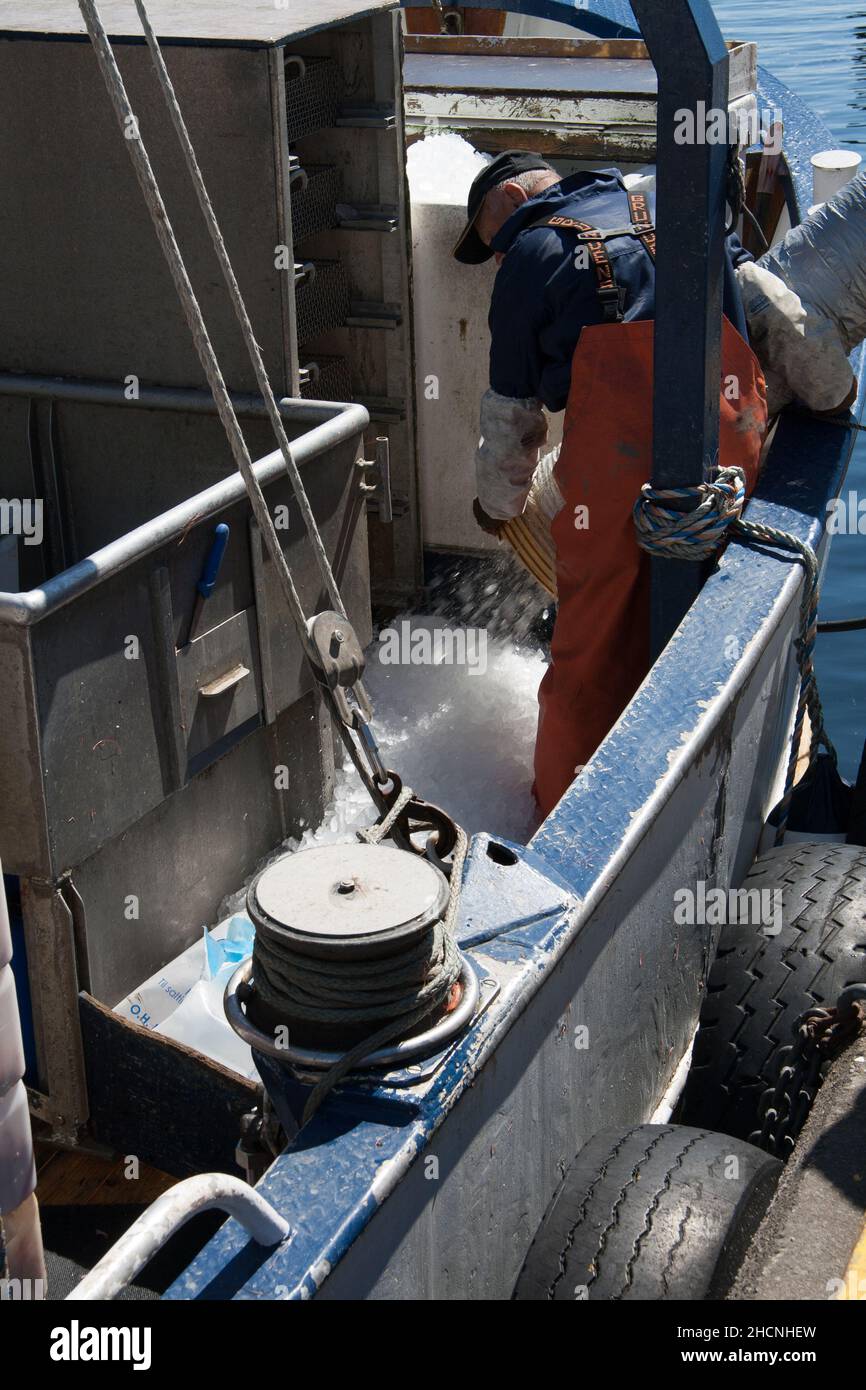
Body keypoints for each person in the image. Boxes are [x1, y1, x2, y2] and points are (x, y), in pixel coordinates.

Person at [453, 151, 769, 816]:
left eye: (493, 239)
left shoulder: (533, 250)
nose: (502, 254)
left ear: (510, 197)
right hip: (736, 435)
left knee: (591, 650)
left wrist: (499, 507)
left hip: (625, 464)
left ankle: (570, 822)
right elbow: (759, 301)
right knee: (707, 620)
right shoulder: (671, 200)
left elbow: (512, 416)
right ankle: (709, 786)